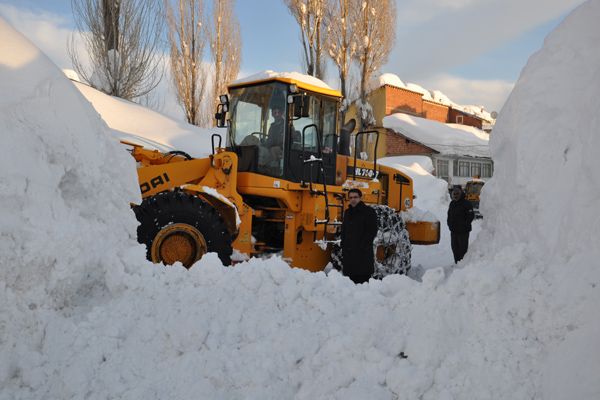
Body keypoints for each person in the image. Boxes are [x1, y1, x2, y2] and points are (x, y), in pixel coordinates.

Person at [340, 188, 379, 284]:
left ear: (360, 198)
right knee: (350, 286)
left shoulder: (369, 212)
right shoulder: (347, 213)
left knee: (362, 285)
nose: (353, 199)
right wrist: (343, 245)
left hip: (362, 256)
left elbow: (372, 231)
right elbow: (344, 231)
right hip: (349, 257)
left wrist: (363, 246)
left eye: (355, 197)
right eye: (351, 197)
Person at [447, 186, 475, 263]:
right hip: (454, 232)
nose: (456, 195)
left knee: (462, 250)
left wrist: (464, 225)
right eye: (454, 194)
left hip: (463, 232)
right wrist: (449, 225)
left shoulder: (467, 203)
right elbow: (449, 215)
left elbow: (471, 216)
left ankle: (462, 266)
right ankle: (457, 264)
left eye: (457, 193)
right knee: (454, 249)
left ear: (461, 193)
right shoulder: (452, 203)